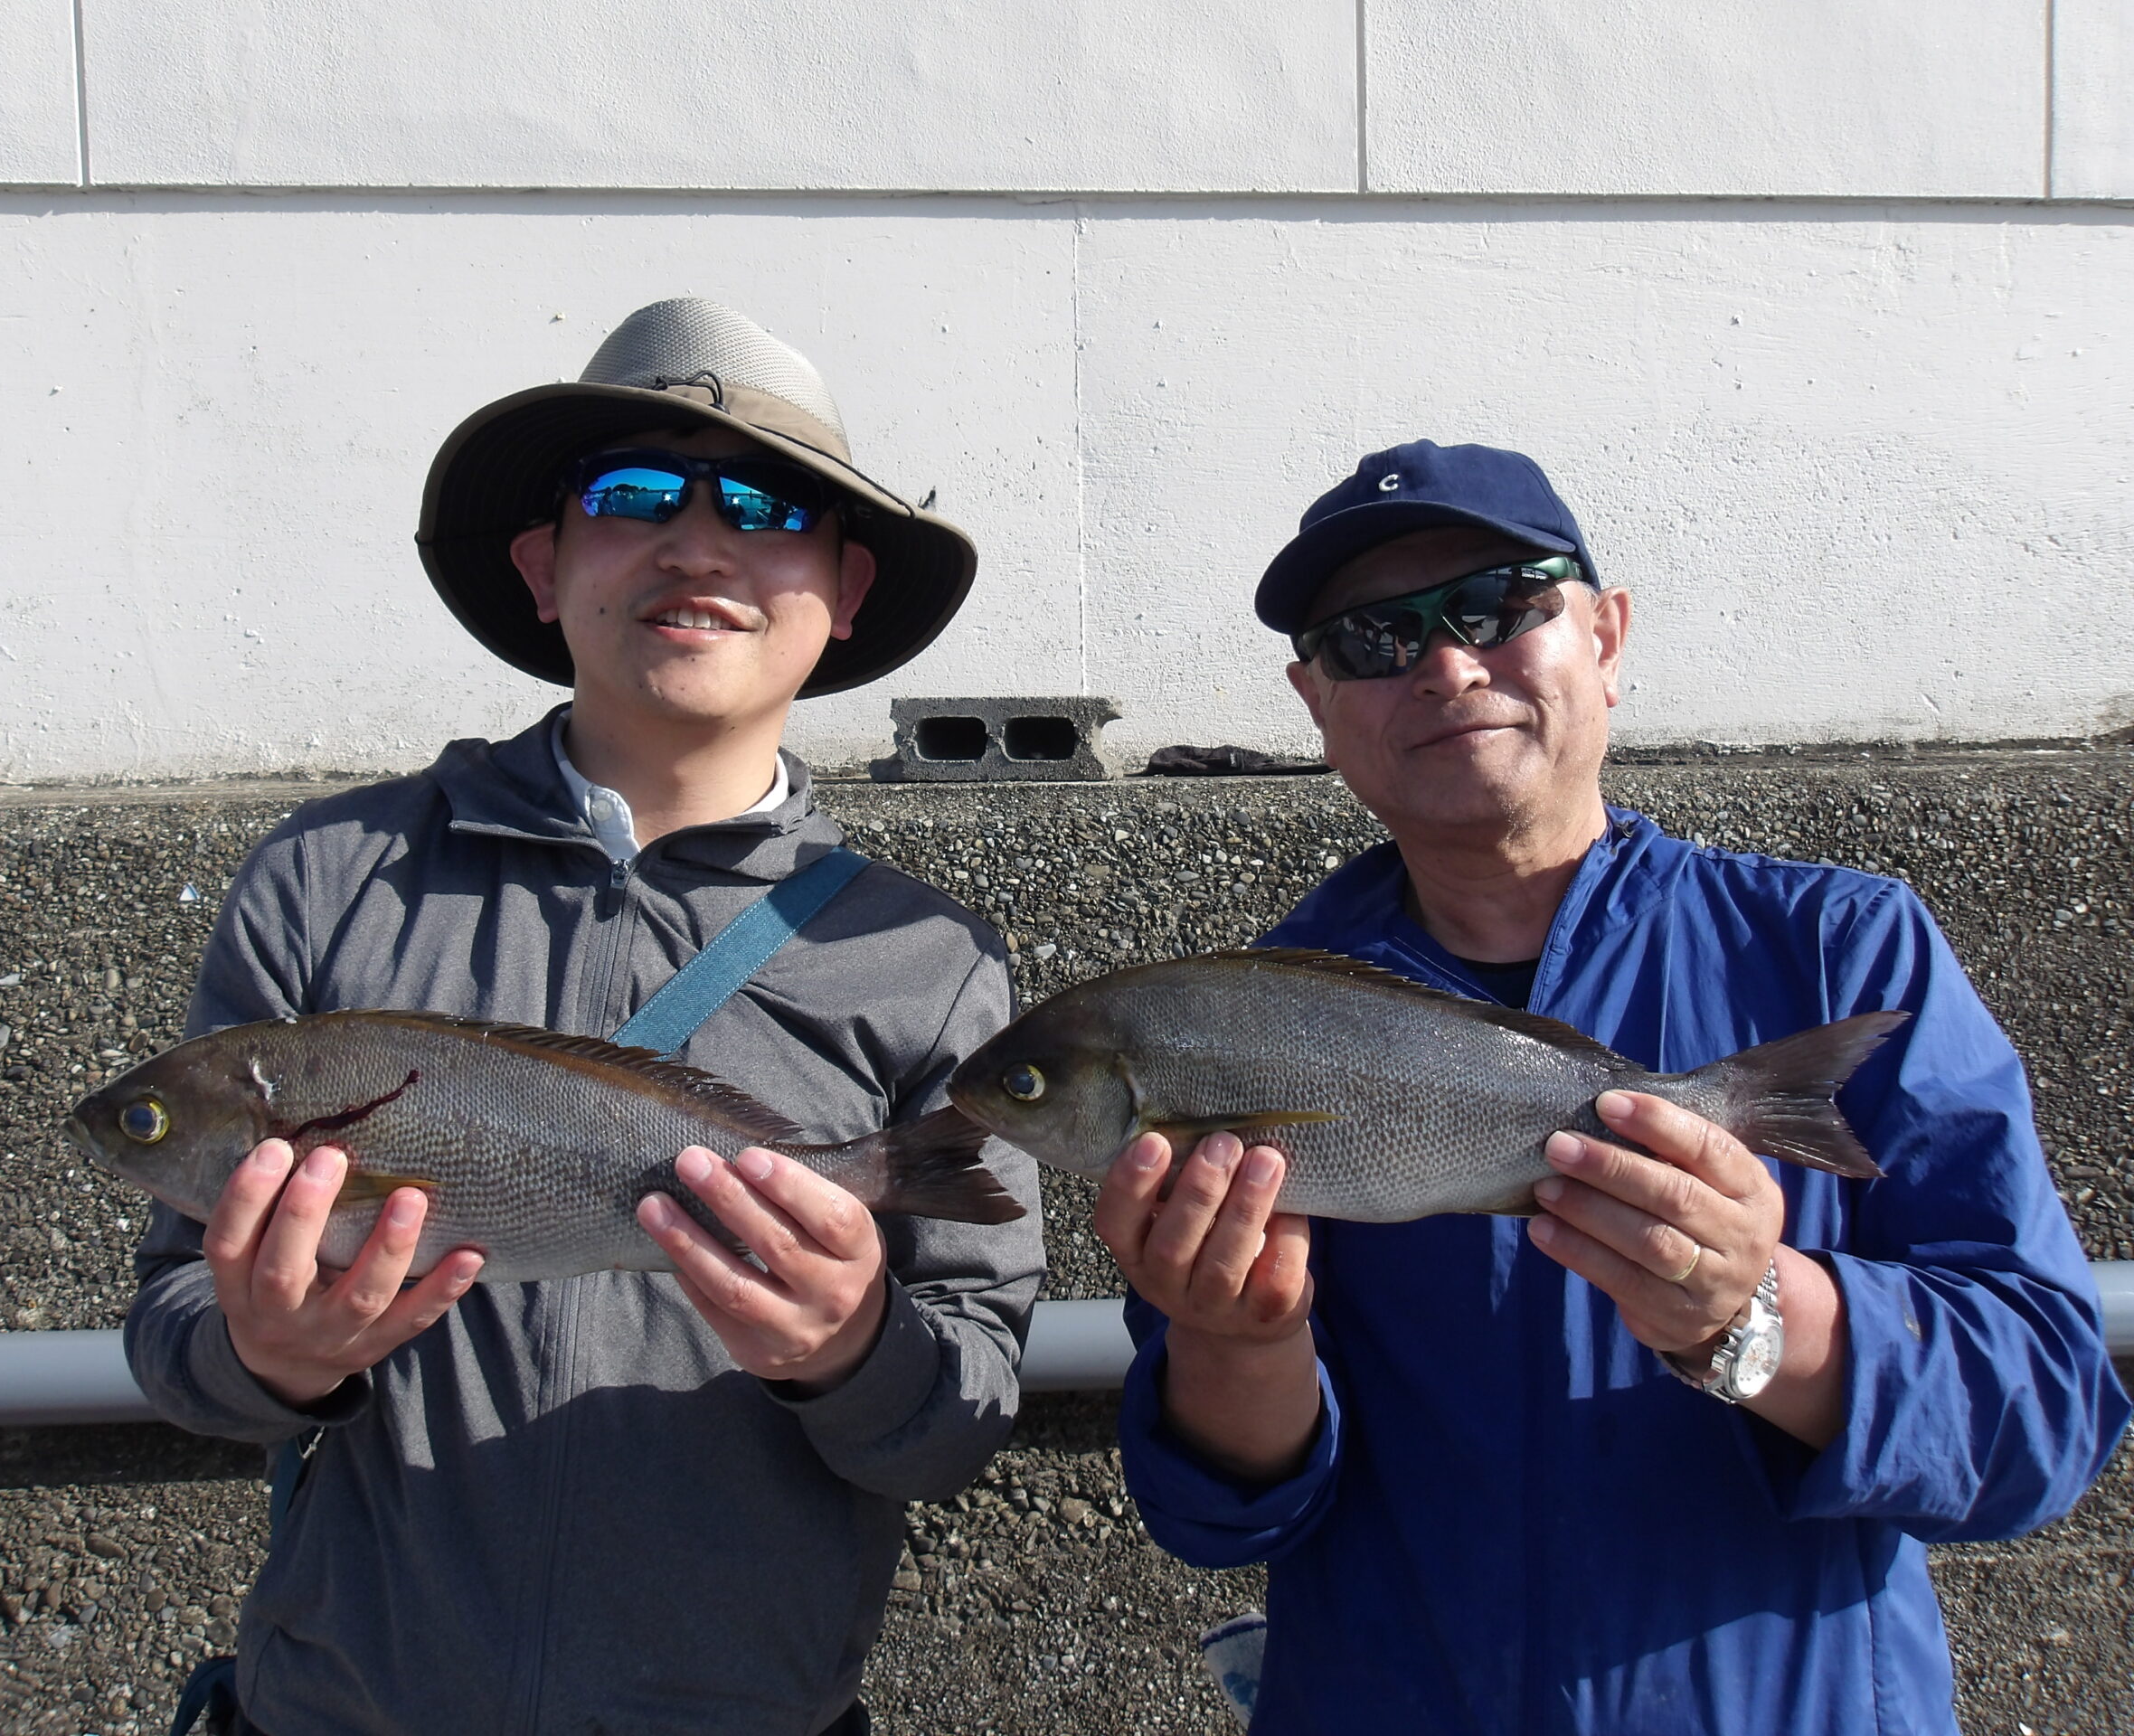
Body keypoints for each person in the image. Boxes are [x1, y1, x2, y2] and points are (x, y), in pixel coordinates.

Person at [1104, 439, 2129, 1732]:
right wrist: (1233, 1338)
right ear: (1314, 702)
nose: (1446, 665)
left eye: (1499, 607)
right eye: (1372, 640)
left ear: (1607, 634)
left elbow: (2045, 1414)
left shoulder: (1843, 949)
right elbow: (1217, 1510)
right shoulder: (1250, 1022)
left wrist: (1763, 1315)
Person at [124, 297, 1045, 1736]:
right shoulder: (327, 880)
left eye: (767, 502)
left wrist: (852, 1349)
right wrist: (268, 1356)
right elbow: (174, 1325)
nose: (698, 540)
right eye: (630, 494)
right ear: (544, 566)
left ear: (845, 589)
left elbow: (963, 1414)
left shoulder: (925, 956)